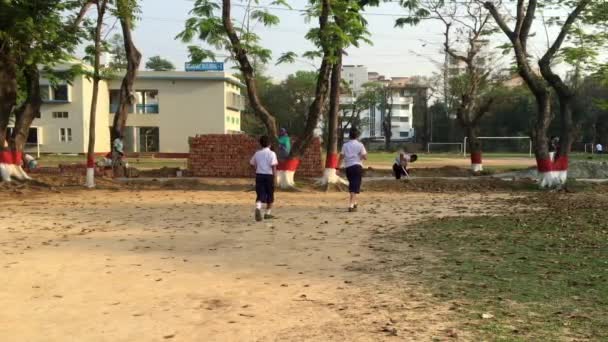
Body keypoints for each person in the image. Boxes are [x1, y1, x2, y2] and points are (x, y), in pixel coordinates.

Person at [250, 135, 278, 222]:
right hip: (268, 176)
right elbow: (273, 167)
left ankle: (258, 208)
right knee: (270, 195)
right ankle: (267, 213)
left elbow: (252, 163)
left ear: (260, 144)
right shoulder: (272, 154)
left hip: (259, 175)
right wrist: (275, 178)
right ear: (270, 144)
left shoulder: (257, 153)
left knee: (260, 193)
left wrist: (257, 169)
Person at [339, 128, 367, 212]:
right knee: (354, 186)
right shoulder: (360, 145)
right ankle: (351, 205)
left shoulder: (345, 145)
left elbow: (341, 157)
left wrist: (337, 168)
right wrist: (360, 156)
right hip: (357, 166)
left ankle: (354, 202)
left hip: (348, 167)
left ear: (349, 136)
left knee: (352, 184)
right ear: (357, 136)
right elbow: (365, 157)